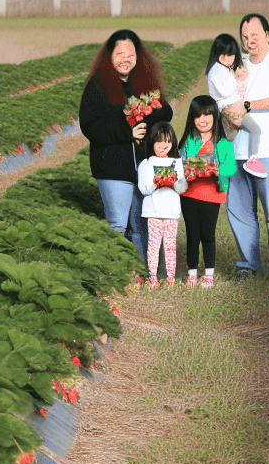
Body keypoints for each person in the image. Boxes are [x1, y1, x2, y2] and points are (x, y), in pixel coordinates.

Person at [214, 13, 269, 278]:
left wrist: (248, 106)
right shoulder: (237, 64)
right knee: (238, 210)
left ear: (268, 35)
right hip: (236, 149)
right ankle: (248, 264)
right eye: (245, 37)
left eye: (256, 36)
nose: (250, 41)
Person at [79, 29, 172, 264]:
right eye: (119, 54)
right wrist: (126, 132)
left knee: (142, 223)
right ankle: (116, 273)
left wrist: (144, 118)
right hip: (112, 167)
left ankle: (145, 271)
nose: (125, 59)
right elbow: (90, 127)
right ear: (109, 56)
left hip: (143, 168)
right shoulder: (97, 86)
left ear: (139, 57)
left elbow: (166, 111)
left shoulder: (143, 83)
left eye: (130, 54)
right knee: (118, 223)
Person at [178, 95, 237, 288]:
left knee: (208, 235)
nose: (202, 120)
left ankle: (209, 274)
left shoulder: (223, 143)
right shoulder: (189, 141)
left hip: (212, 196)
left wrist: (218, 169)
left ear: (215, 116)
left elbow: (231, 168)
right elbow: (180, 163)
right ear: (192, 118)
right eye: (197, 116)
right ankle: (192, 273)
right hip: (189, 195)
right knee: (192, 234)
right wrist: (188, 169)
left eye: (207, 115)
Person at [205, 34, 266, 178]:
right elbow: (227, 90)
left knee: (226, 138)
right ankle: (251, 160)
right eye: (228, 55)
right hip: (231, 109)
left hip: (230, 108)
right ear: (220, 56)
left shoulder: (219, 68)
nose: (231, 59)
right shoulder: (218, 71)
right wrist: (236, 77)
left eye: (232, 55)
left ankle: (214, 164)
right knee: (249, 131)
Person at [137, 122, 188, 288]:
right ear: (152, 142)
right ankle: (153, 278)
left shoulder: (177, 163)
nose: (163, 145)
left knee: (170, 245)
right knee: (154, 244)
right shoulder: (146, 163)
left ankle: (171, 278)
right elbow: (143, 188)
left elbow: (183, 187)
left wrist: (173, 183)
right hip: (153, 211)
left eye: (167, 141)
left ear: (172, 142)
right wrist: (156, 182)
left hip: (172, 212)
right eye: (158, 141)